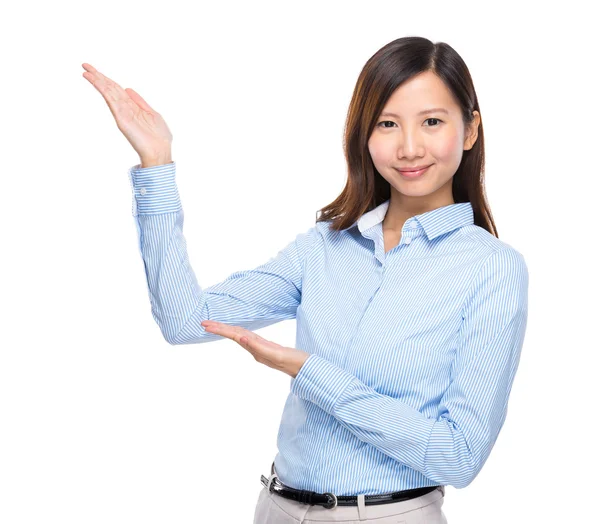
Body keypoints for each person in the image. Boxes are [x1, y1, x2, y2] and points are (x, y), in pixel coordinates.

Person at [82, 35, 528, 524]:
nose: (409, 147)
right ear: (364, 134)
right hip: (276, 508)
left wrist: (310, 372)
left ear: (469, 131)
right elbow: (186, 320)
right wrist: (157, 164)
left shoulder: (492, 269)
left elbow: (458, 456)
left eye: (432, 122)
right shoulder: (324, 247)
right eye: (387, 124)